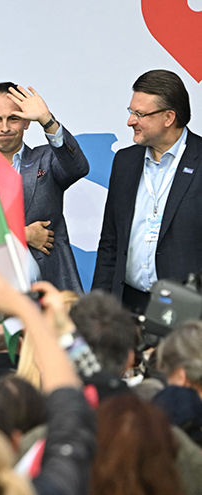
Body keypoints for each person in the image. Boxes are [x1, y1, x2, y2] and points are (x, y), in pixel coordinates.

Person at [0, 82, 89, 292]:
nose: (4, 128)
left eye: (13, 118)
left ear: (26, 122)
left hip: (50, 293)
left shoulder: (47, 159)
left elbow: (78, 168)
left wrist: (47, 120)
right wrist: (21, 235)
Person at [93, 70, 201, 313]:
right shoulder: (124, 161)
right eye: (131, 112)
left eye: (140, 114)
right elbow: (110, 242)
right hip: (126, 307)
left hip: (187, 313)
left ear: (168, 117)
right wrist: (98, 309)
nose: (130, 121)